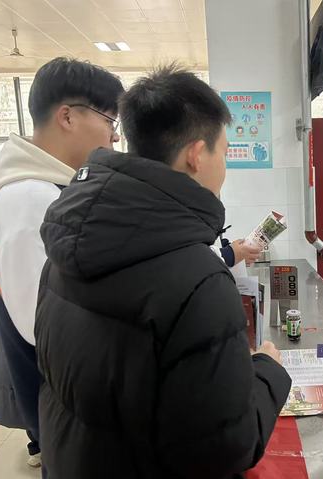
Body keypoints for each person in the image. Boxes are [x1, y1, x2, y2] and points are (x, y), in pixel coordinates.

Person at [34, 65, 292, 478]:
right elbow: (227, 447)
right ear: (196, 154)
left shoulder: (64, 249)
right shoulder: (200, 280)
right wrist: (269, 371)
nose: (224, 167)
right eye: (224, 153)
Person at [0, 57, 124, 469]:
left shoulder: (48, 191)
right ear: (67, 116)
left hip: (71, 414)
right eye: (109, 120)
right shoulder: (30, 200)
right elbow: (46, 330)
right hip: (69, 416)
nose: (114, 136)